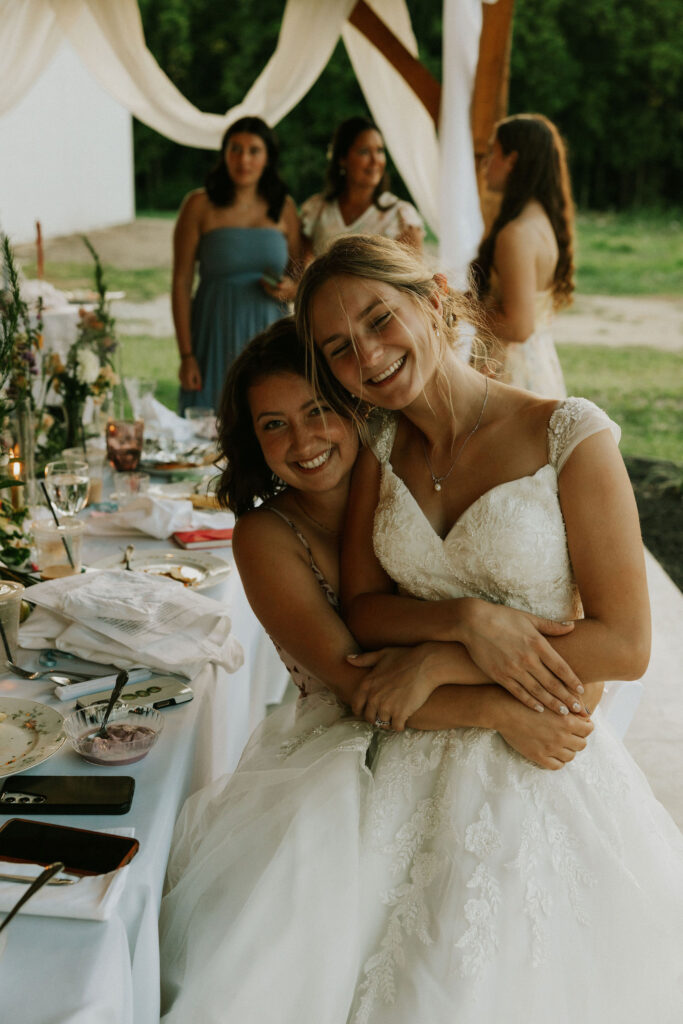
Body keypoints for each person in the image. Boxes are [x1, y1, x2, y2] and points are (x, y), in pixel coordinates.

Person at [159, 318, 597, 1022]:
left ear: (354, 408)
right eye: (273, 426)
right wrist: (501, 712)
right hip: (349, 743)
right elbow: (357, 682)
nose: (303, 442)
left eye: (318, 412)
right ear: (251, 442)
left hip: (467, 718)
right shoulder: (267, 535)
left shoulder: (408, 479)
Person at [294, 234, 683, 1022]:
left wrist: (439, 664)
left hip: (538, 752)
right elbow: (365, 609)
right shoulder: (376, 444)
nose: (366, 357)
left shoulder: (569, 434)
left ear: (435, 300)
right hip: (408, 756)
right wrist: (466, 622)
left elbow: (623, 644)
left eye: (379, 320)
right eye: (338, 348)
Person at [172, 116, 302, 413]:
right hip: (213, 331)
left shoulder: (285, 208)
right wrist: (186, 355)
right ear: (224, 154)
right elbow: (180, 283)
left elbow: (299, 279)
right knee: (208, 426)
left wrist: (289, 289)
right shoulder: (198, 205)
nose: (243, 159)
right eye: (235, 149)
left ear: (268, 157)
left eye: (254, 150)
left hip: (269, 332)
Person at [470, 113, 574, 397]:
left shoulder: (517, 234)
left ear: (512, 161)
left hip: (511, 372)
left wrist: (460, 307)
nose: (486, 162)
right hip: (537, 361)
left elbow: (518, 326)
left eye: (493, 152)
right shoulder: (541, 221)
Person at [300, 116, 424, 260]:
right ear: (342, 158)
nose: (375, 160)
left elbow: (411, 278)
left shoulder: (401, 217)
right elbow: (302, 269)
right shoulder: (317, 211)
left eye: (379, 151)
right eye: (364, 151)